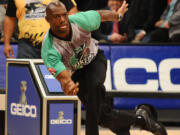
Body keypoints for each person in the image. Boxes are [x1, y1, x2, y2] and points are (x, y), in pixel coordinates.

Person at [42, 1, 167, 135]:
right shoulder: (49, 48)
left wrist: (117, 16)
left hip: (95, 59)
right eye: (56, 17)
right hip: (77, 73)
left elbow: (101, 15)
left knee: (94, 89)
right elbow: (63, 76)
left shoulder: (79, 20)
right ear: (47, 19)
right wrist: (68, 84)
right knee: (103, 116)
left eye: (64, 15)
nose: (62, 20)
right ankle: (141, 119)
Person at [3, 0, 78, 58]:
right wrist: (7, 44)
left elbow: (72, 10)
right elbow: (9, 18)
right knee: (25, 76)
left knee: (57, 76)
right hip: (26, 45)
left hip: (55, 43)